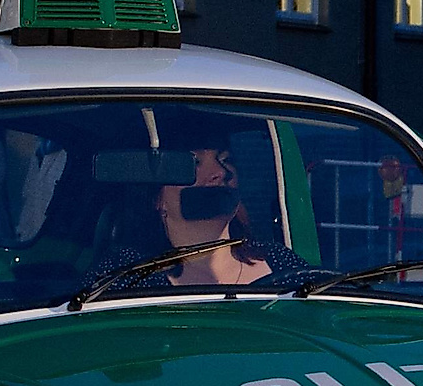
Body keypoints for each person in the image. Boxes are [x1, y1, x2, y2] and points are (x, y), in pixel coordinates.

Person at [86, 122, 313, 290]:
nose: (220, 173)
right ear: (157, 198)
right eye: (193, 163)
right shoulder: (125, 276)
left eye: (226, 160)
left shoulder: (281, 262)